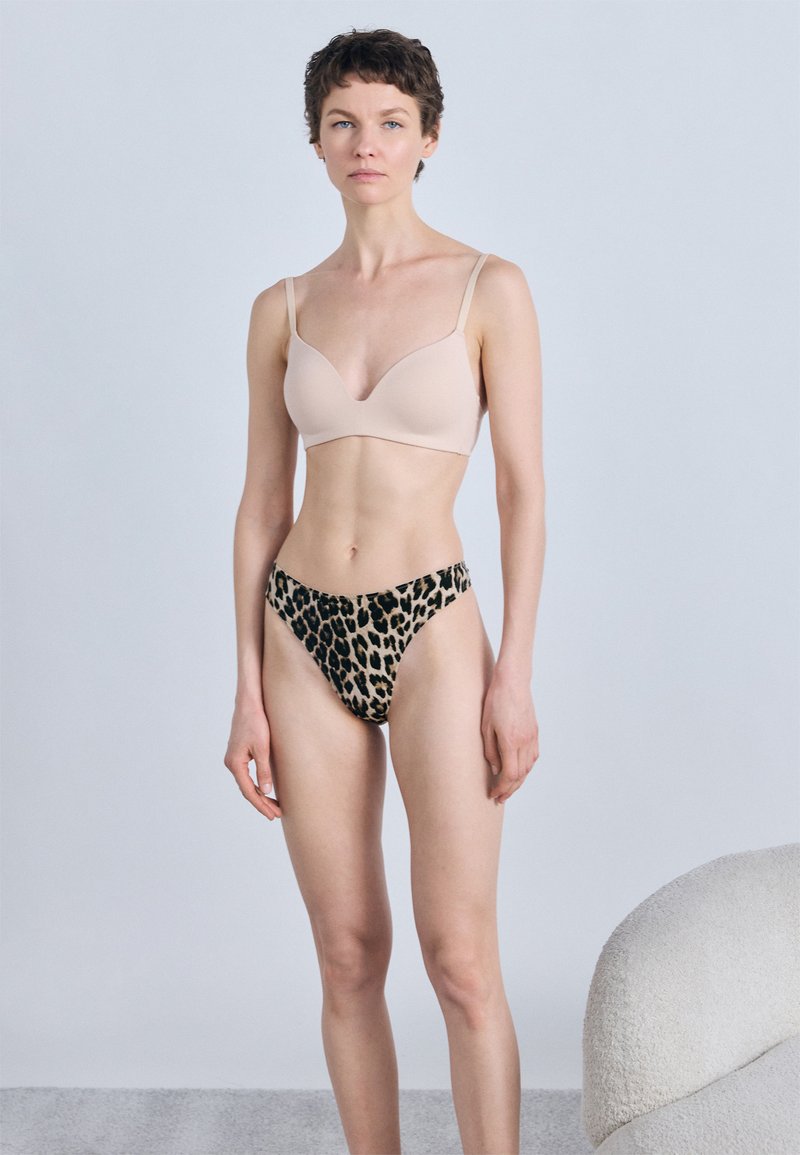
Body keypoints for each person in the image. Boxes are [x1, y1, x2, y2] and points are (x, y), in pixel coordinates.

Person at [224, 26, 544, 1155]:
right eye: (344, 123)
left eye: (391, 123)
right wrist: (246, 688)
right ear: (316, 142)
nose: (367, 143)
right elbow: (261, 506)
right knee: (348, 954)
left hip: (430, 630)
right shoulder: (282, 306)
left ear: (429, 139)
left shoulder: (487, 287)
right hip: (300, 632)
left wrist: (513, 674)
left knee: (460, 960)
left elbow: (520, 492)